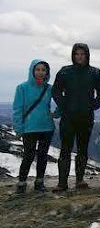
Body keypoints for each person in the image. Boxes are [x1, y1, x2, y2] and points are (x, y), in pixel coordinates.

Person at [52, 43, 100, 191]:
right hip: (68, 116)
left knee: (82, 149)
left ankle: (80, 180)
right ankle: (62, 183)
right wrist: (63, 105)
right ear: (73, 55)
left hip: (86, 116)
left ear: (87, 55)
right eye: (77, 54)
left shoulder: (94, 72)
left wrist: (93, 105)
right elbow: (56, 90)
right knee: (65, 150)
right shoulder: (65, 72)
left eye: (82, 54)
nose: (80, 57)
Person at [12, 60, 56, 194]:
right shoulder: (22, 88)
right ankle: (21, 184)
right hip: (30, 128)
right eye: (38, 69)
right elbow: (17, 109)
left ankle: (39, 183)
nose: (41, 72)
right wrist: (18, 127)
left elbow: (61, 100)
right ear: (32, 70)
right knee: (28, 156)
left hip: (47, 127)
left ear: (47, 72)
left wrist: (56, 113)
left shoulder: (49, 88)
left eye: (44, 70)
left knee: (43, 156)